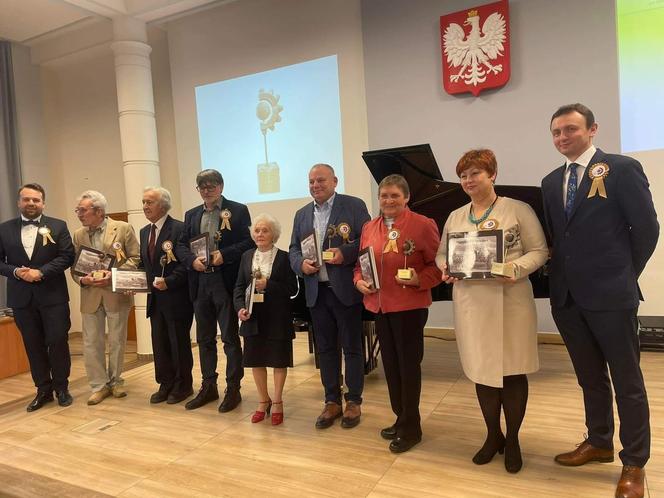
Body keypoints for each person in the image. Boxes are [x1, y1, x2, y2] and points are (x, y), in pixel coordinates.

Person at [542, 103, 659, 497]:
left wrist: (625, 274)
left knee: (627, 382)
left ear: (593, 129)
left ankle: (635, 462)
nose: (562, 137)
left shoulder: (621, 169)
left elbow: (646, 228)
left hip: (612, 294)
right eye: (556, 132)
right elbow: (561, 239)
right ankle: (599, 441)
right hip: (568, 298)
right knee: (589, 378)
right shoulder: (549, 181)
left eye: (570, 129)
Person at [435, 150, 548, 472]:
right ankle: (492, 435)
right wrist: (446, 268)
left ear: (492, 174)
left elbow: (539, 251)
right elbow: (442, 254)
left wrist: (513, 268)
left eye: (475, 174)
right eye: (464, 176)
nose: (469, 181)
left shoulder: (518, 209)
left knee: (512, 370)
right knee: (482, 371)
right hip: (472, 304)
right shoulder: (456, 216)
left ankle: (513, 439)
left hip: (510, 300)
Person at [354, 174, 441, 453]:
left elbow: (439, 266)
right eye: (384, 196)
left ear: (406, 198)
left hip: (408, 307)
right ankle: (400, 416)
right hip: (379, 306)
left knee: (408, 367)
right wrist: (358, 281)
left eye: (394, 195)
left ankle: (412, 426)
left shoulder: (423, 225)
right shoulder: (369, 226)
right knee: (390, 366)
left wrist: (419, 279)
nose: (388, 200)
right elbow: (360, 265)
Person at [289, 163, 371, 429]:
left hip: (345, 290)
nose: (315, 185)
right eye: (311, 181)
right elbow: (293, 250)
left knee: (352, 348)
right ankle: (332, 401)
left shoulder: (353, 205)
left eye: (321, 180)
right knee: (325, 350)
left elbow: (366, 241)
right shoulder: (301, 214)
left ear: (335, 181)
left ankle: (354, 401)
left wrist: (344, 254)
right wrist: (300, 264)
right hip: (316, 292)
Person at [175, 169, 254, 412]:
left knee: (230, 338)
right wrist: (191, 262)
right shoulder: (191, 214)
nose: (206, 190)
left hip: (225, 281)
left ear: (220, 186)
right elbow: (180, 245)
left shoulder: (238, 210)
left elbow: (248, 242)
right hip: (200, 283)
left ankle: (233, 388)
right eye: (202, 187)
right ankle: (209, 386)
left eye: (211, 186)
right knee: (204, 339)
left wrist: (224, 255)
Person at [0, 183, 75, 412]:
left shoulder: (58, 226)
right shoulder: (4, 229)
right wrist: (16, 272)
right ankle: (43, 390)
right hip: (22, 299)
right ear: (19, 202)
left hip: (53, 297)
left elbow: (67, 256)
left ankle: (61, 388)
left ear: (43, 203)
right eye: (27, 199)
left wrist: (40, 272)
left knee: (58, 342)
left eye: (36, 200)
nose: (31, 203)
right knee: (33, 346)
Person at [72, 190, 140, 405]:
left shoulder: (123, 228)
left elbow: (136, 258)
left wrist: (114, 275)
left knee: (117, 341)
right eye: (77, 210)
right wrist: (83, 280)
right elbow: (75, 268)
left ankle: (116, 381)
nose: (79, 214)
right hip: (90, 295)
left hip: (115, 293)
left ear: (99, 211)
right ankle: (99, 386)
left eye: (83, 210)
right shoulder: (78, 234)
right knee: (91, 342)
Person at [234, 213, 297, 425]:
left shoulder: (285, 257)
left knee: (278, 360)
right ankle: (263, 400)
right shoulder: (246, 256)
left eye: (265, 230)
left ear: (274, 235)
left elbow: (292, 288)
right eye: (257, 230)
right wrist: (240, 308)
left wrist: (268, 285)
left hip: (277, 317)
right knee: (255, 360)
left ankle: (277, 401)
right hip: (252, 317)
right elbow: (239, 287)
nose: (260, 234)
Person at [139, 187, 194, 405]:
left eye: (149, 202)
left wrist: (168, 282)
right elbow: (145, 265)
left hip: (177, 298)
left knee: (178, 343)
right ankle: (165, 383)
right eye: (143, 202)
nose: (144, 206)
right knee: (159, 343)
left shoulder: (180, 228)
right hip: (155, 299)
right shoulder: (144, 231)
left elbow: (186, 264)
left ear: (163, 205)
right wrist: (130, 280)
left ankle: (183, 385)